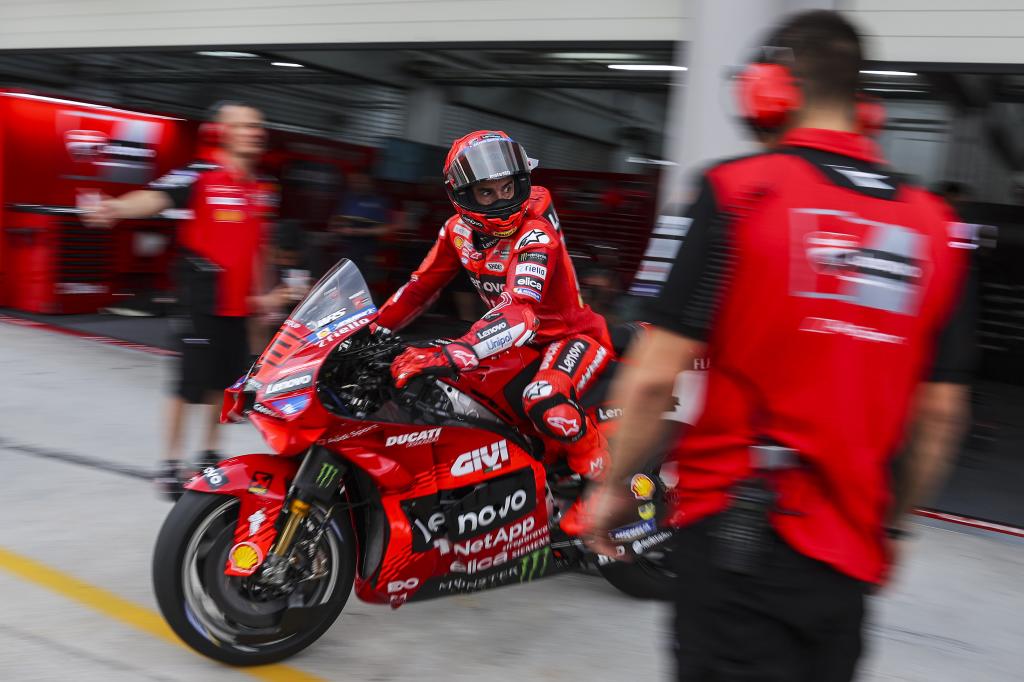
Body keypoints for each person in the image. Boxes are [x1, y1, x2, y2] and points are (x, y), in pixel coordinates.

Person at [585, 11, 975, 682]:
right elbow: (938, 419)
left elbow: (653, 376)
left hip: (738, 544)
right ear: (865, 104)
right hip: (847, 562)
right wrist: (892, 526)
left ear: (770, 88)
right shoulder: (937, 229)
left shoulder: (737, 194)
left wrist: (615, 486)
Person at [375, 130, 612, 533]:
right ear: (462, 195)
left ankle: (605, 487)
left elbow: (521, 312)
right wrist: (370, 331)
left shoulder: (537, 235)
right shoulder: (456, 232)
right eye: (487, 193)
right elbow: (418, 289)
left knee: (544, 398)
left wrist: (454, 352)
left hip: (571, 338)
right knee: (458, 398)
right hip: (516, 344)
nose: (502, 202)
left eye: (508, 188)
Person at [82, 101, 298, 499]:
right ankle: (169, 464)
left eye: (258, 126)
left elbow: (261, 248)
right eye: (246, 126)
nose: (255, 132)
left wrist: (266, 295)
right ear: (224, 131)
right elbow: (154, 199)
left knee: (222, 386)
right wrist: (115, 208)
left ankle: (208, 457)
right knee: (188, 385)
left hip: (239, 305)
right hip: (200, 300)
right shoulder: (199, 175)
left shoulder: (261, 189)